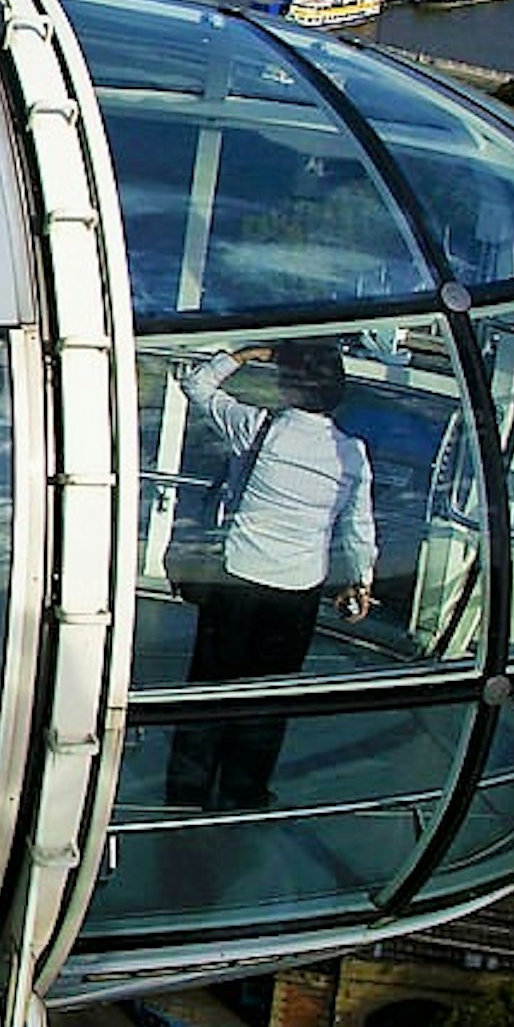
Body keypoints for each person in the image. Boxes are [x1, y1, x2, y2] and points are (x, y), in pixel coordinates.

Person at [168, 339, 378, 812]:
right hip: (297, 592)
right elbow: (357, 527)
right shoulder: (352, 455)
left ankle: (186, 793)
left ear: (287, 384)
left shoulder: (258, 428)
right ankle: (243, 791)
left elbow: (195, 385)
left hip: (237, 578)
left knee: (208, 688)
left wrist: (242, 355)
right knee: (270, 696)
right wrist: (361, 580)